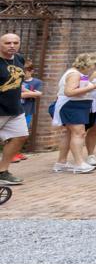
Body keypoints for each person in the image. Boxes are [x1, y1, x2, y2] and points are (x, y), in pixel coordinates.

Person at [53, 54, 96, 174]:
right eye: (94, 65)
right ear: (87, 64)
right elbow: (69, 92)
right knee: (79, 133)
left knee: (70, 133)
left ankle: (61, 162)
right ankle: (79, 163)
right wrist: (95, 86)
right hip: (71, 106)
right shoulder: (75, 74)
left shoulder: (78, 74)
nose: (95, 68)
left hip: (75, 106)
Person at [0, 33, 29, 185]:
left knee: (21, 136)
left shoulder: (19, 59)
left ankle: (2, 171)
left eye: (15, 42)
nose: (12, 45)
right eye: (7, 43)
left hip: (15, 108)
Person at [16, 64, 42, 163]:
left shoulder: (37, 82)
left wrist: (24, 91)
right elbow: (18, 94)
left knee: (23, 132)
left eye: (25, 72)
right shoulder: (17, 80)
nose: (23, 74)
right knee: (15, 132)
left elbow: (38, 95)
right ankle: (13, 153)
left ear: (31, 71)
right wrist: (33, 93)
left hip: (28, 110)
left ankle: (17, 152)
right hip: (16, 110)